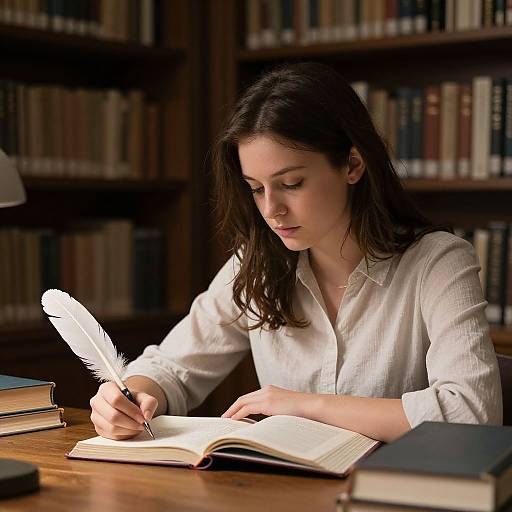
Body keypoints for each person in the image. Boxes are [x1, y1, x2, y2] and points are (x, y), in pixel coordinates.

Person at [89, 62, 502, 443]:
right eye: (256, 188)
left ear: (352, 165)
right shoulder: (255, 264)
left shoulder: (438, 263)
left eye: (291, 183)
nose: (272, 209)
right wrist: (129, 397)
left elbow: (472, 413)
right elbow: (172, 367)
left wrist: (305, 405)